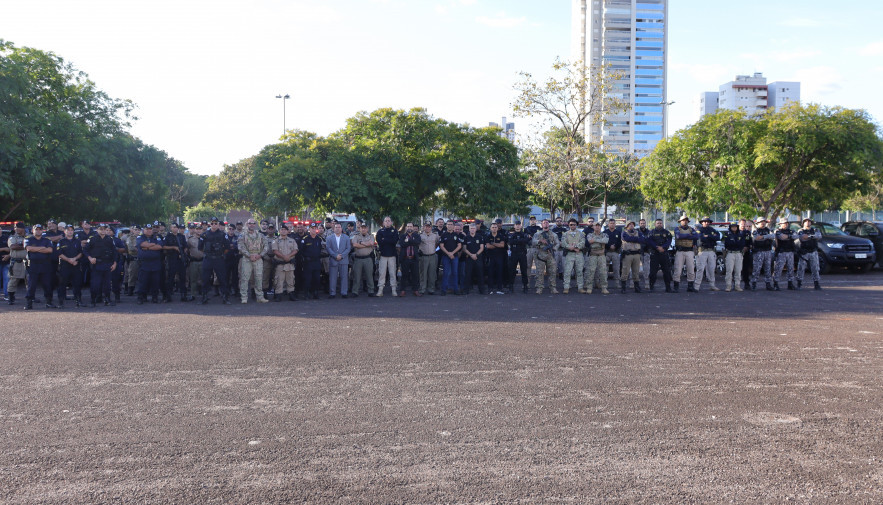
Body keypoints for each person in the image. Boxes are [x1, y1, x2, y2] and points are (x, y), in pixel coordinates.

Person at [23, 224, 57, 310]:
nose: (38, 231)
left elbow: (50, 250)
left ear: (42, 231)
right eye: (36, 229)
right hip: (33, 265)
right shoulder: (28, 239)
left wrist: (36, 248)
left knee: (47, 285)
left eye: (40, 229)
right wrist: (42, 248)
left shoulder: (46, 240)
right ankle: (29, 304)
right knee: (31, 285)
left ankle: (49, 302)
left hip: (45, 265)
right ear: (32, 231)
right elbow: (29, 248)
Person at [199, 217, 232, 305]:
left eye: (216, 223)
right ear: (210, 224)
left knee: (222, 279)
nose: (214, 225)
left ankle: (225, 297)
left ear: (218, 224)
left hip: (218, 259)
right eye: (212, 223)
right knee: (205, 279)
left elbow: (227, 248)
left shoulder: (222, 234)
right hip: (208, 259)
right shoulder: (205, 234)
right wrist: (208, 253)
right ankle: (204, 297)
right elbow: (200, 248)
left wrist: (220, 253)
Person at [85, 224, 118, 307]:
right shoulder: (92, 239)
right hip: (96, 264)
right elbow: (85, 250)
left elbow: (114, 252)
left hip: (107, 264)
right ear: (97, 229)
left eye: (104, 229)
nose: (103, 231)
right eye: (101, 229)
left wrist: (115, 263)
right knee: (95, 284)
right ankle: (93, 300)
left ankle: (107, 299)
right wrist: (90, 258)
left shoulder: (109, 239)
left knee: (107, 284)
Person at [238, 219, 270, 304]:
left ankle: (260, 297)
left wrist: (260, 255)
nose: (251, 225)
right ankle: (244, 297)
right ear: (247, 224)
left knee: (259, 278)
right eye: (250, 223)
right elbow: (240, 247)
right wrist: (249, 255)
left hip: (258, 258)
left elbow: (266, 246)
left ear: (255, 225)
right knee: (245, 278)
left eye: (253, 223)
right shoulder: (242, 235)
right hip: (247, 258)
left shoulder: (260, 235)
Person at [56, 224, 84, 308]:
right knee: (62, 284)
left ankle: (78, 301)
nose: (70, 231)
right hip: (64, 265)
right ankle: (61, 302)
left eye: (71, 230)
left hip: (75, 265)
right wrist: (69, 260)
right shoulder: (61, 241)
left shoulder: (77, 241)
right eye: (68, 230)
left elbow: (81, 253)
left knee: (77, 284)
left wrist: (75, 259)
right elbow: (59, 254)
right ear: (65, 231)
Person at [136, 224, 164, 304]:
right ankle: (141, 297)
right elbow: (142, 244)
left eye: (150, 229)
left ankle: (154, 297)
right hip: (144, 263)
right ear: (143, 230)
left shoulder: (156, 237)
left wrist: (147, 248)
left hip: (155, 263)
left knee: (155, 281)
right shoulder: (140, 237)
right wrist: (152, 245)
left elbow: (159, 247)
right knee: (143, 281)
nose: (149, 230)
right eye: (147, 229)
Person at [272, 224, 298, 301]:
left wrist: (288, 256)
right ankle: (278, 295)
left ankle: (291, 294)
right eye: (282, 229)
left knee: (291, 280)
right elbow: (275, 251)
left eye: (285, 229)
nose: (283, 231)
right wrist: (284, 257)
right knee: (279, 280)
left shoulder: (292, 240)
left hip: (290, 264)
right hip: (280, 264)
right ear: (279, 231)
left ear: (287, 231)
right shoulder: (276, 241)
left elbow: (295, 250)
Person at [532, 219, 560, 294]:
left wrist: (554, 248)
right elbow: (533, 242)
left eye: (547, 223)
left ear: (549, 224)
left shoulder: (554, 234)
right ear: (542, 225)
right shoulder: (537, 234)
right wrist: (540, 241)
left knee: (552, 272)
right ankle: (539, 288)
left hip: (550, 255)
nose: (546, 224)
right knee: (539, 272)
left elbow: (557, 243)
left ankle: (553, 287)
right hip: (540, 255)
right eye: (544, 223)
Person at [672, 215, 699, 293]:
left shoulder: (691, 229)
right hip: (680, 251)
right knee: (678, 269)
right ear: (680, 221)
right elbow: (678, 236)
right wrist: (689, 236)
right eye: (683, 220)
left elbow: (696, 236)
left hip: (689, 251)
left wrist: (685, 236)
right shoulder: (677, 229)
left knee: (691, 269)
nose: (685, 221)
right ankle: (676, 287)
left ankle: (690, 286)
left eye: (686, 220)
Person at [646, 219, 673, 293]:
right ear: (655, 224)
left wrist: (663, 247)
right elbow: (649, 241)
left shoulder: (666, 232)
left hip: (664, 254)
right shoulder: (651, 232)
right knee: (653, 272)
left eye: (660, 223)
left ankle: (668, 287)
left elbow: (669, 241)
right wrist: (657, 247)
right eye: (658, 223)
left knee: (667, 271)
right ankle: (651, 287)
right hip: (655, 254)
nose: (659, 224)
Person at [694, 216, 721, 291]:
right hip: (702, 251)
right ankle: (696, 286)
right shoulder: (699, 230)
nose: (707, 223)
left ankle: (712, 285)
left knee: (712, 269)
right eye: (705, 221)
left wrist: (708, 236)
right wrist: (711, 237)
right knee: (700, 269)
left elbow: (718, 237)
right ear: (702, 222)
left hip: (711, 250)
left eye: (708, 221)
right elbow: (701, 238)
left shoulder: (712, 229)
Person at [375, 216, 400, 297]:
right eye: (386, 221)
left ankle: (394, 289)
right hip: (383, 255)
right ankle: (380, 290)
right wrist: (388, 239)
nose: (387, 222)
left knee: (393, 273)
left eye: (389, 221)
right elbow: (379, 241)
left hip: (392, 255)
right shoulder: (380, 231)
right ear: (383, 222)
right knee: (382, 273)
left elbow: (394, 241)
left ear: (391, 222)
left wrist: (384, 239)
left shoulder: (395, 231)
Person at [163, 223, 188, 302]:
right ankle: (168, 296)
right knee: (170, 278)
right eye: (173, 227)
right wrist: (173, 247)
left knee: (182, 278)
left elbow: (186, 246)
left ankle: (183, 295)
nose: (175, 228)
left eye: (176, 227)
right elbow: (163, 246)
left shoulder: (181, 236)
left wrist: (183, 252)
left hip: (180, 259)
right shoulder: (168, 237)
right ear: (170, 228)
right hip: (172, 259)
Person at [560, 218, 586, 294]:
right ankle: (566, 287)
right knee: (567, 271)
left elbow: (583, 242)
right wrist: (571, 248)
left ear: (576, 225)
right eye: (571, 224)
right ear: (569, 225)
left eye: (574, 224)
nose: (572, 226)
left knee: (579, 272)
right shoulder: (565, 234)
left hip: (579, 254)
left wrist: (575, 247)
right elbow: (563, 243)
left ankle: (580, 287)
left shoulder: (581, 234)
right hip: (569, 254)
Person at [796, 218, 823, 290]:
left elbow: (819, 236)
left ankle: (816, 283)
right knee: (801, 268)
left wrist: (809, 236)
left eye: (809, 221)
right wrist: (812, 237)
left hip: (813, 251)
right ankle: (799, 283)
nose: (808, 223)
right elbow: (802, 238)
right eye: (806, 221)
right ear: (803, 223)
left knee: (815, 268)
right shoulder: (801, 231)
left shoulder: (815, 230)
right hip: (804, 252)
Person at [350, 223, 376, 297]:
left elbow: (371, 243)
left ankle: (371, 291)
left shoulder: (371, 236)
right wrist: (366, 245)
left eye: (365, 228)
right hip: (358, 259)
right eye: (362, 228)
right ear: (359, 229)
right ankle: (355, 291)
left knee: (369, 276)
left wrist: (360, 243)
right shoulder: (356, 236)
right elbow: (354, 245)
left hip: (368, 258)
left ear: (367, 229)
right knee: (356, 276)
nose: (363, 229)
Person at [619, 220, 645, 293]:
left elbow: (643, 240)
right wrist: (637, 239)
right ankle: (623, 288)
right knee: (625, 271)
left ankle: (637, 287)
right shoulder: (624, 233)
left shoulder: (638, 232)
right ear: (627, 226)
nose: (631, 225)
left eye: (632, 224)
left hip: (636, 254)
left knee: (636, 271)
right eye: (629, 224)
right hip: (628, 254)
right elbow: (626, 239)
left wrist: (634, 239)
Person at [326, 222, 351, 298]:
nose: (337, 229)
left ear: (341, 229)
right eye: (336, 227)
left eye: (339, 227)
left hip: (343, 260)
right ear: (333, 229)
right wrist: (335, 255)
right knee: (333, 278)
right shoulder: (329, 238)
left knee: (344, 277)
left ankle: (344, 292)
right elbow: (328, 248)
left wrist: (342, 255)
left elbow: (348, 248)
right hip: (333, 260)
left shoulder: (346, 237)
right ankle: (332, 293)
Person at [723, 222, 750, 292]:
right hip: (730, 253)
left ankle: (737, 285)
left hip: (738, 253)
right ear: (730, 227)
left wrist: (735, 243)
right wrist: (735, 243)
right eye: (732, 227)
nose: (734, 228)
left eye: (735, 227)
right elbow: (727, 244)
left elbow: (742, 244)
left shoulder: (740, 234)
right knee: (729, 270)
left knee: (738, 270)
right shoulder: (727, 234)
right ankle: (728, 286)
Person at [439, 220, 463, 296]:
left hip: (454, 257)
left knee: (455, 273)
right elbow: (441, 246)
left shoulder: (456, 235)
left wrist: (452, 253)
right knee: (446, 273)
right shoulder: (443, 235)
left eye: (451, 224)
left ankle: (455, 289)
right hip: (446, 257)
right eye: (448, 224)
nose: (449, 226)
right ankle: (443, 290)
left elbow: (459, 246)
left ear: (453, 226)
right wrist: (448, 254)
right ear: (446, 226)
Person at [772, 217, 797, 291]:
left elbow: (796, 236)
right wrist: (790, 237)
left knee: (790, 268)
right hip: (781, 252)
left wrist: (788, 236)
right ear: (780, 224)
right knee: (778, 269)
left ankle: (790, 283)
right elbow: (781, 237)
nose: (785, 225)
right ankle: (775, 284)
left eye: (786, 223)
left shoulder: (791, 231)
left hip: (790, 252)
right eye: (784, 223)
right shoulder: (778, 231)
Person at [299, 223, 324, 299]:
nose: (313, 230)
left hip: (316, 261)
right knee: (307, 279)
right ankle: (306, 294)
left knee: (316, 278)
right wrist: (305, 258)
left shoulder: (319, 239)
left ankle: (315, 293)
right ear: (309, 229)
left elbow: (320, 249)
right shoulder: (305, 239)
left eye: (315, 228)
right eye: (312, 228)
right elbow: (301, 251)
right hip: (308, 262)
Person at [6, 222, 28, 305]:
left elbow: (34, 244)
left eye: (18, 227)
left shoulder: (28, 236)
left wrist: (20, 245)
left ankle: (30, 297)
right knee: (13, 280)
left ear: (23, 228)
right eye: (15, 227)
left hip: (27, 261)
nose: (16, 229)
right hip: (16, 262)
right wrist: (26, 246)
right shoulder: (12, 237)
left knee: (29, 280)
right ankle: (11, 297)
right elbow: (12, 247)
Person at [507, 220, 531, 294]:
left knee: (524, 271)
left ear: (521, 226)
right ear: (514, 226)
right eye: (516, 225)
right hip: (514, 254)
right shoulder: (511, 234)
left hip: (522, 254)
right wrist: (521, 241)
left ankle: (525, 286)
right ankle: (511, 287)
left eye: (519, 224)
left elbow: (527, 241)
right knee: (512, 271)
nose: (517, 226)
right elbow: (510, 242)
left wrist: (517, 241)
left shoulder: (524, 234)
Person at [751, 218, 775, 291]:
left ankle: (768, 284)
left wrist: (763, 237)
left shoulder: (768, 230)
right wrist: (766, 237)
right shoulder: (755, 231)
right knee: (757, 269)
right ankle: (754, 283)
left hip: (767, 251)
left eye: (764, 222)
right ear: (758, 223)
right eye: (761, 222)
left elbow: (773, 236)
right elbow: (757, 238)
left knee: (768, 268)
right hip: (758, 252)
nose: (763, 223)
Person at [398, 222, 421, 297]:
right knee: (404, 275)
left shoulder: (417, 235)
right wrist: (412, 242)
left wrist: (408, 241)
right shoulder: (402, 236)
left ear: (413, 228)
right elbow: (402, 244)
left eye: (410, 226)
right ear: (406, 228)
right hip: (405, 258)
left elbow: (417, 242)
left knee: (415, 275)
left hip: (414, 258)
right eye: (408, 226)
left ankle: (415, 290)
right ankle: (402, 290)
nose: (409, 228)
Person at [462, 223, 485, 295]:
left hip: (478, 258)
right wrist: (471, 255)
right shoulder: (466, 237)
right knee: (468, 274)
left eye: (473, 228)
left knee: (480, 274)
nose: (472, 230)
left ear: (476, 229)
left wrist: (476, 254)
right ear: (469, 229)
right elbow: (464, 249)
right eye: (471, 228)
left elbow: (482, 248)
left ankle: (481, 290)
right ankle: (466, 290)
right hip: (469, 258)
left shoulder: (479, 237)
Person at [484, 222, 507, 294]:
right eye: (493, 227)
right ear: (490, 228)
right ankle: (490, 289)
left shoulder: (501, 236)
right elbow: (488, 246)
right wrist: (498, 244)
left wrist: (493, 243)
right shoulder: (487, 236)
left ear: (497, 228)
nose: (494, 228)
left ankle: (499, 289)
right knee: (490, 273)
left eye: (495, 227)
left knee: (499, 272)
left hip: (499, 257)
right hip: (491, 257)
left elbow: (502, 245)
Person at [418, 222, 439, 296]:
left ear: (431, 227)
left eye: (429, 227)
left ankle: (431, 289)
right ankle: (422, 289)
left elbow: (437, 243)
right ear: (423, 227)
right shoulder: (420, 236)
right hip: (424, 257)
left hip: (432, 256)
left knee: (432, 274)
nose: (427, 228)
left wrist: (433, 250)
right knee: (423, 274)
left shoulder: (435, 235)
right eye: (426, 227)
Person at [185, 224, 203, 301]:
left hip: (203, 261)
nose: (198, 230)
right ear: (195, 230)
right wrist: (189, 257)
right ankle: (193, 295)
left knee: (204, 278)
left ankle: (204, 294)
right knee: (193, 279)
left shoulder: (205, 238)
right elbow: (186, 250)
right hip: (194, 261)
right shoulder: (190, 239)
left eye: (200, 229)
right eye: (197, 229)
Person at [603, 219, 622, 285]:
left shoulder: (618, 232)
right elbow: (603, 242)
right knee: (605, 269)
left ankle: (617, 283)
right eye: (611, 223)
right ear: (608, 224)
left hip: (615, 252)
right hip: (607, 252)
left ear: (615, 224)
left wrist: (615, 246)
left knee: (616, 268)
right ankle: (605, 284)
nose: (612, 224)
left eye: (613, 223)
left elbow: (620, 242)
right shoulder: (605, 232)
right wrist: (609, 246)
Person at [124, 224, 141, 296]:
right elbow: (131, 248)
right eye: (135, 230)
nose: (137, 231)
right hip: (133, 258)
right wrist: (142, 249)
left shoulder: (142, 237)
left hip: (142, 258)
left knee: (141, 275)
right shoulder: (130, 238)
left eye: (138, 230)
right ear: (132, 230)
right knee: (132, 274)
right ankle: (130, 290)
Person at [739, 219, 754, 291]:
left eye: (744, 224)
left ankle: (746, 284)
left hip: (746, 253)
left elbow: (750, 242)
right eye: (741, 224)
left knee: (746, 269)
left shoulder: (747, 233)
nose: (743, 226)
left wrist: (748, 247)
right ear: (739, 224)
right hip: (737, 252)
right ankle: (736, 284)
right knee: (736, 269)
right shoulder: (736, 232)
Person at [525, 216, 540, 284]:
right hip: (529, 248)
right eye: (531, 220)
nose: (533, 221)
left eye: (534, 220)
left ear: (536, 221)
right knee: (528, 265)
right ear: (529, 221)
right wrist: (527, 236)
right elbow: (524, 237)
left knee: (538, 266)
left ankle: (538, 283)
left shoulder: (539, 228)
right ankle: (527, 282)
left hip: (537, 248)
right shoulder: (526, 229)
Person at [637, 219, 652, 290]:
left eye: (644, 223)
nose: (642, 224)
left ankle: (646, 283)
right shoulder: (636, 232)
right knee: (634, 269)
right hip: (637, 252)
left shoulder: (649, 232)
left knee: (646, 269)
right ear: (639, 224)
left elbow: (650, 241)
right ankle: (633, 283)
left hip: (646, 252)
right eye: (641, 223)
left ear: (645, 224)